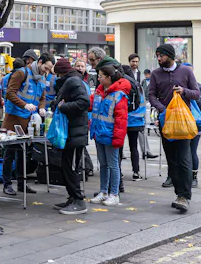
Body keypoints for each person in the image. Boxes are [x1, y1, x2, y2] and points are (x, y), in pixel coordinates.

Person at [148, 43, 201, 213]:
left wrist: (183, 91)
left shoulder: (186, 71)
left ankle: (185, 196)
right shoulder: (156, 74)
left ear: (170, 56)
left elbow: (196, 93)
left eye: (161, 56)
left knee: (184, 159)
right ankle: (179, 193)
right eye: (157, 56)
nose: (159, 59)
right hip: (166, 122)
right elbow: (151, 95)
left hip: (183, 122)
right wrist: (163, 109)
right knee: (172, 160)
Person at [1, 50, 53, 196]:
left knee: (23, 153)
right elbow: (10, 93)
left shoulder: (41, 77)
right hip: (14, 118)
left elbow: (42, 96)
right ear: (40, 62)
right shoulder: (21, 73)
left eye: (49, 70)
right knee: (10, 152)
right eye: (46, 68)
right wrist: (24, 104)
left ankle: (21, 184)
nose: (47, 72)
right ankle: (7, 184)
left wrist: (42, 108)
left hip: (29, 119)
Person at [51, 58, 91, 215]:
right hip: (72, 132)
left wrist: (63, 107)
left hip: (75, 132)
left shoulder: (73, 81)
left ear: (61, 72)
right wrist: (57, 103)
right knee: (67, 166)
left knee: (72, 167)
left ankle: (79, 200)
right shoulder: (71, 81)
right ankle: (72, 198)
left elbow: (84, 102)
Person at [89, 65, 129, 207]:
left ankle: (114, 194)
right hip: (99, 133)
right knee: (103, 164)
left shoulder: (119, 95)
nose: (98, 78)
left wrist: (118, 139)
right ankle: (103, 192)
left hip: (110, 135)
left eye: (100, 76)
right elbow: (90, 105)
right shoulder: (100, 92)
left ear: (108, 77)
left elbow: (121, 120)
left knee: (113, 165)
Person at [182, 63, 201, 189]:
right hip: (182, 123)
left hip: (196, 124)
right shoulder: (178, 88)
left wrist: (192, 94)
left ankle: (194, 177)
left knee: (192, 151)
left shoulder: (200, 88)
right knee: (181, 151)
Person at [121, 65, 145, 181]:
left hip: (124, 120)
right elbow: (143, 104)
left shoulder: (123, 85)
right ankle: (136, 172)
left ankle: (118, 171)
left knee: (119, 147)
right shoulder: (138, 86)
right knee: (134, 147)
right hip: (136, 121)